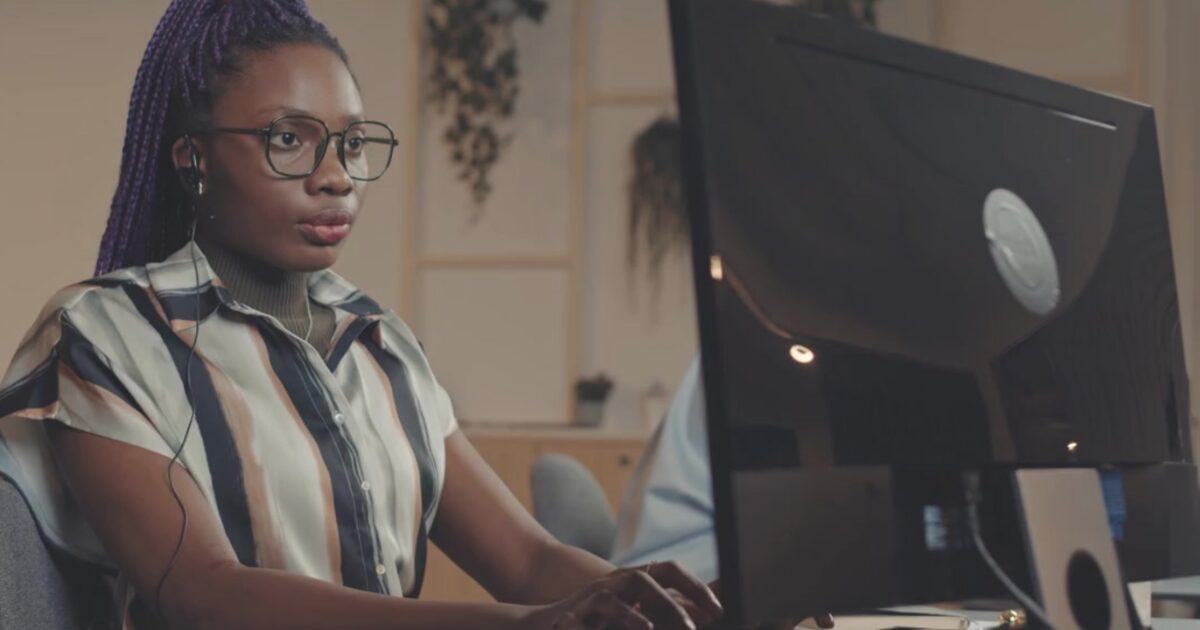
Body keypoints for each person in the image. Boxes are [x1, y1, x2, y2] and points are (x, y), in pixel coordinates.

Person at [0, 2, 723, 629]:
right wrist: (530, 625)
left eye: (349, 143)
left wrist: (699, 611)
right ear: (193, 160)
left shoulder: (379, 340)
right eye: (289, 139)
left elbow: (529, 561)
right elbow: (205, 598)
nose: (336, 175)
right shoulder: (106, 335)